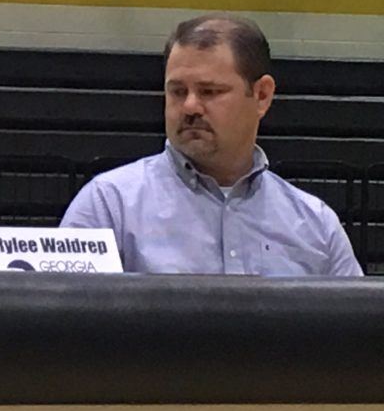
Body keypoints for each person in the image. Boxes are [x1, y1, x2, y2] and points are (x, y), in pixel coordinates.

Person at [60, 14, 362, 276]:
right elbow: (62, 331)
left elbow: (359, 336)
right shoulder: (108, 207)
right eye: (178, 91)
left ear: (261, 96)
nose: (190, 106)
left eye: (210, 91)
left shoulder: (316, 225)